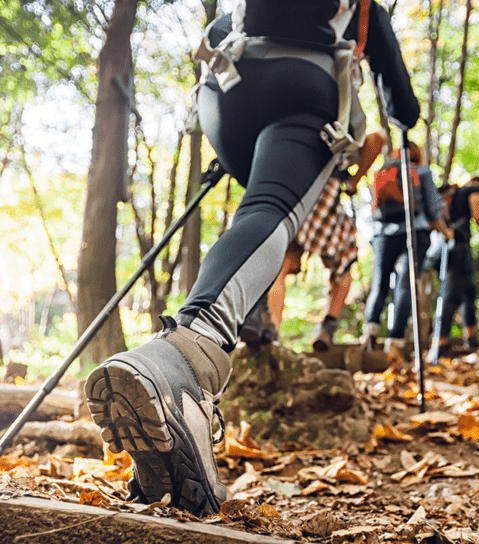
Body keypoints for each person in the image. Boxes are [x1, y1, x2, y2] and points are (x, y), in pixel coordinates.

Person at [84, 1, 419, 516]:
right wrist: (400, 116)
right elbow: (403, 106)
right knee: (270, 211)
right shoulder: (364, 7)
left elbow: (220, 27)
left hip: (225, 90)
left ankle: (245, 325)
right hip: (302, 89)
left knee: (256, 209)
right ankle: (187, 361)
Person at [261, 130, 386, 351]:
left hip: (294, 196)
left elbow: (377, 139)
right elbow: (378, 139)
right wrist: (354, 181)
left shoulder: (296, 132)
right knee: (342, 266)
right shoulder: (340, 128)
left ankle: (273, 332)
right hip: (324, 201)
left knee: (280, 266)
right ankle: (326, 327)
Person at [361, 142, 447, 360]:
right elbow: (433, 209)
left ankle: (370, 331)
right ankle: (394, 342)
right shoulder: (421, 171)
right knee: (405, 284)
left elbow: (372, 209)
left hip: (383, 234)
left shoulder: (382, 171)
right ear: (417, 154)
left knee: (379, 284)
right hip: (415, 232)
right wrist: (445, 232)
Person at [431, 176, 479, 354]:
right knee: (451, 293)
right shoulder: (473, 190)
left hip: (442, 248)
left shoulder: (452, 194)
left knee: (468, 291)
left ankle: (470, 339)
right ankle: (440, 342)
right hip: (458, 246)